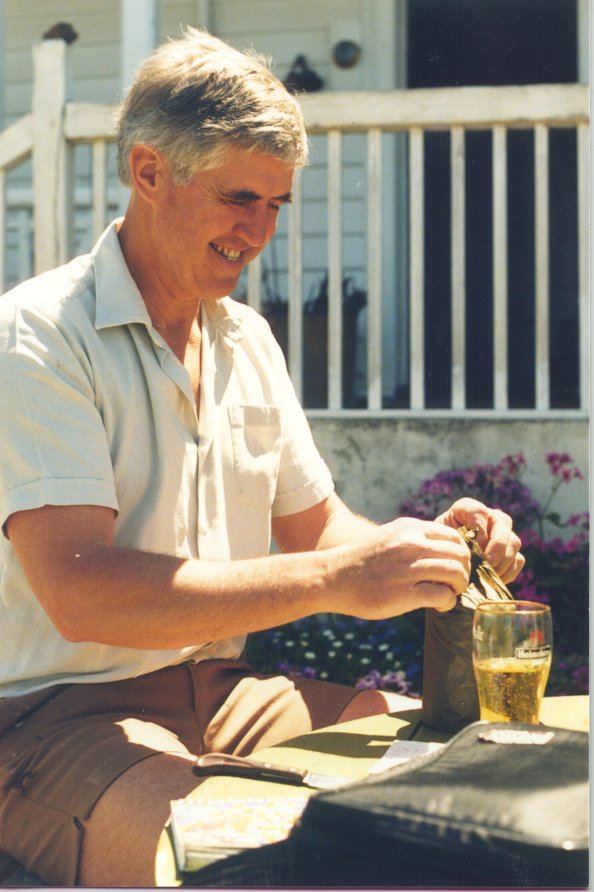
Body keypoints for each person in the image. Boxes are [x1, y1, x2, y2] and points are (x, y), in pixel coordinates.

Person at [0, 28, 524, 887]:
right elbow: (82, 593)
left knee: (468, 781)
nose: (259, 230)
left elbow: (321, 531)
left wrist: (432, 549)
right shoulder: (38, 336)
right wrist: (339, 578)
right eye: (239, 197)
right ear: (147, 171)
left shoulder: (246, 338)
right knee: (246, 863)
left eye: (277, 204)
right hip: (56, 722)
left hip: (226, 694)